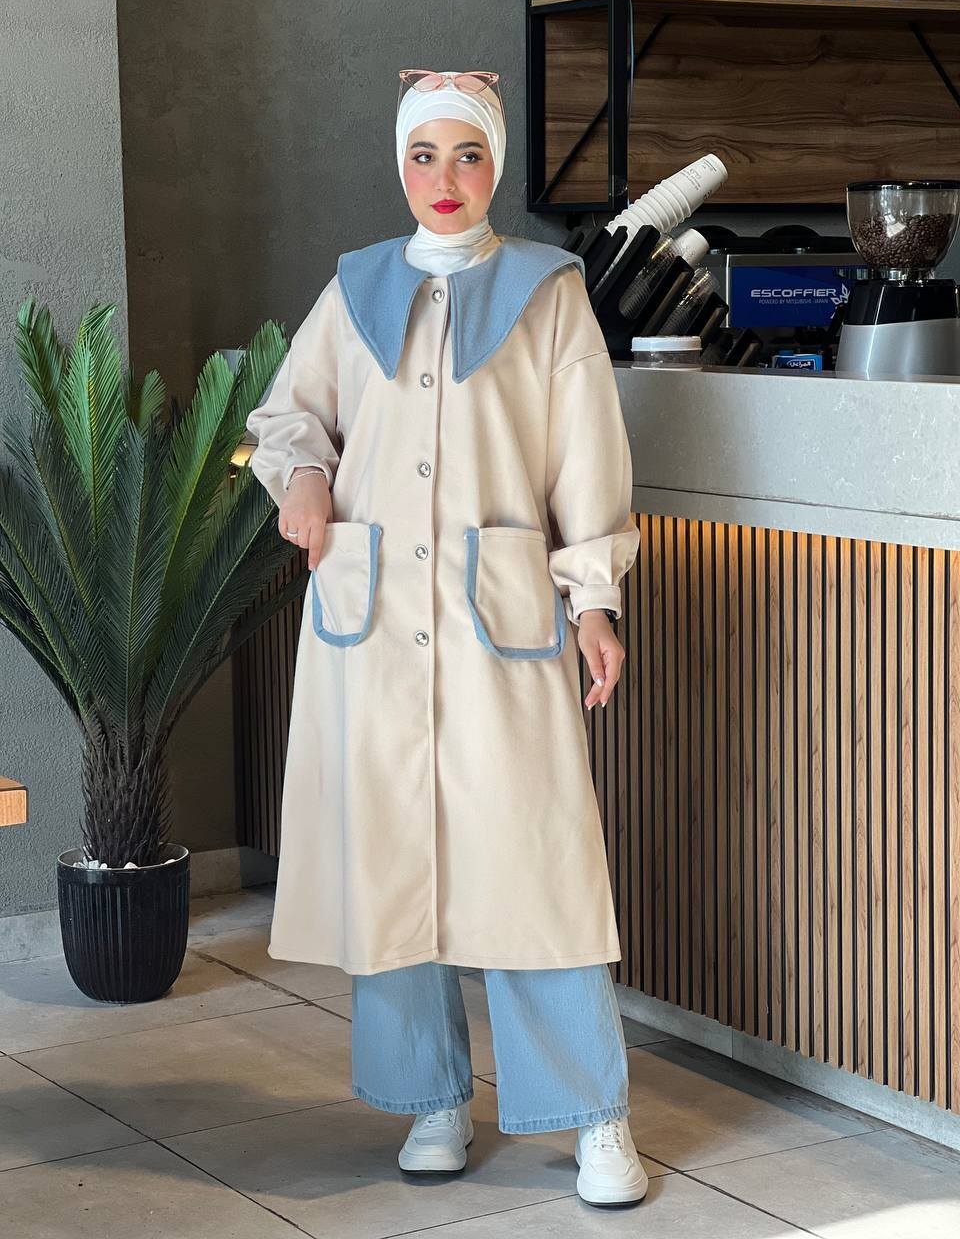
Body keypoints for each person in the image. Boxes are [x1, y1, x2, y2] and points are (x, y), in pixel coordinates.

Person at [244, 67, 645, 1207]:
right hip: (371, 623)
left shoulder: (547, 292)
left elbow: (586, 454)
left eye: (467, 155)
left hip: (496, 617)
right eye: (424, 156)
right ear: (400, 165)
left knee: (535, 865)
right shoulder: (355, 288)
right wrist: (302, 477)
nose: (445, 178)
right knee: (391, 864)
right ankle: (431, 1096)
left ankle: (594, 1115)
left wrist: (594, 598)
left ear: (495, 165)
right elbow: (289, 415)